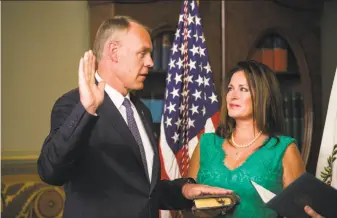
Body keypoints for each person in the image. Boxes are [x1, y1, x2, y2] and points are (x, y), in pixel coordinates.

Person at [37, 16, 232, 218]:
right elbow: (50, 172)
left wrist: (182, 191)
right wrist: (86, 111)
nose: (150, 62)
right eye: (143, 53)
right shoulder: (73, 105)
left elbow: (143, 192)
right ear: (114, 52)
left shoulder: (141, 110)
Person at [187, 60, 323, 218]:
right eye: (230, 89)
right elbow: (187, 205)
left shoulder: (283, 149)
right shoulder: (206, 144)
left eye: (243, 89)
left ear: (262, 97)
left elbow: (301, 214)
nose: (233, 95)